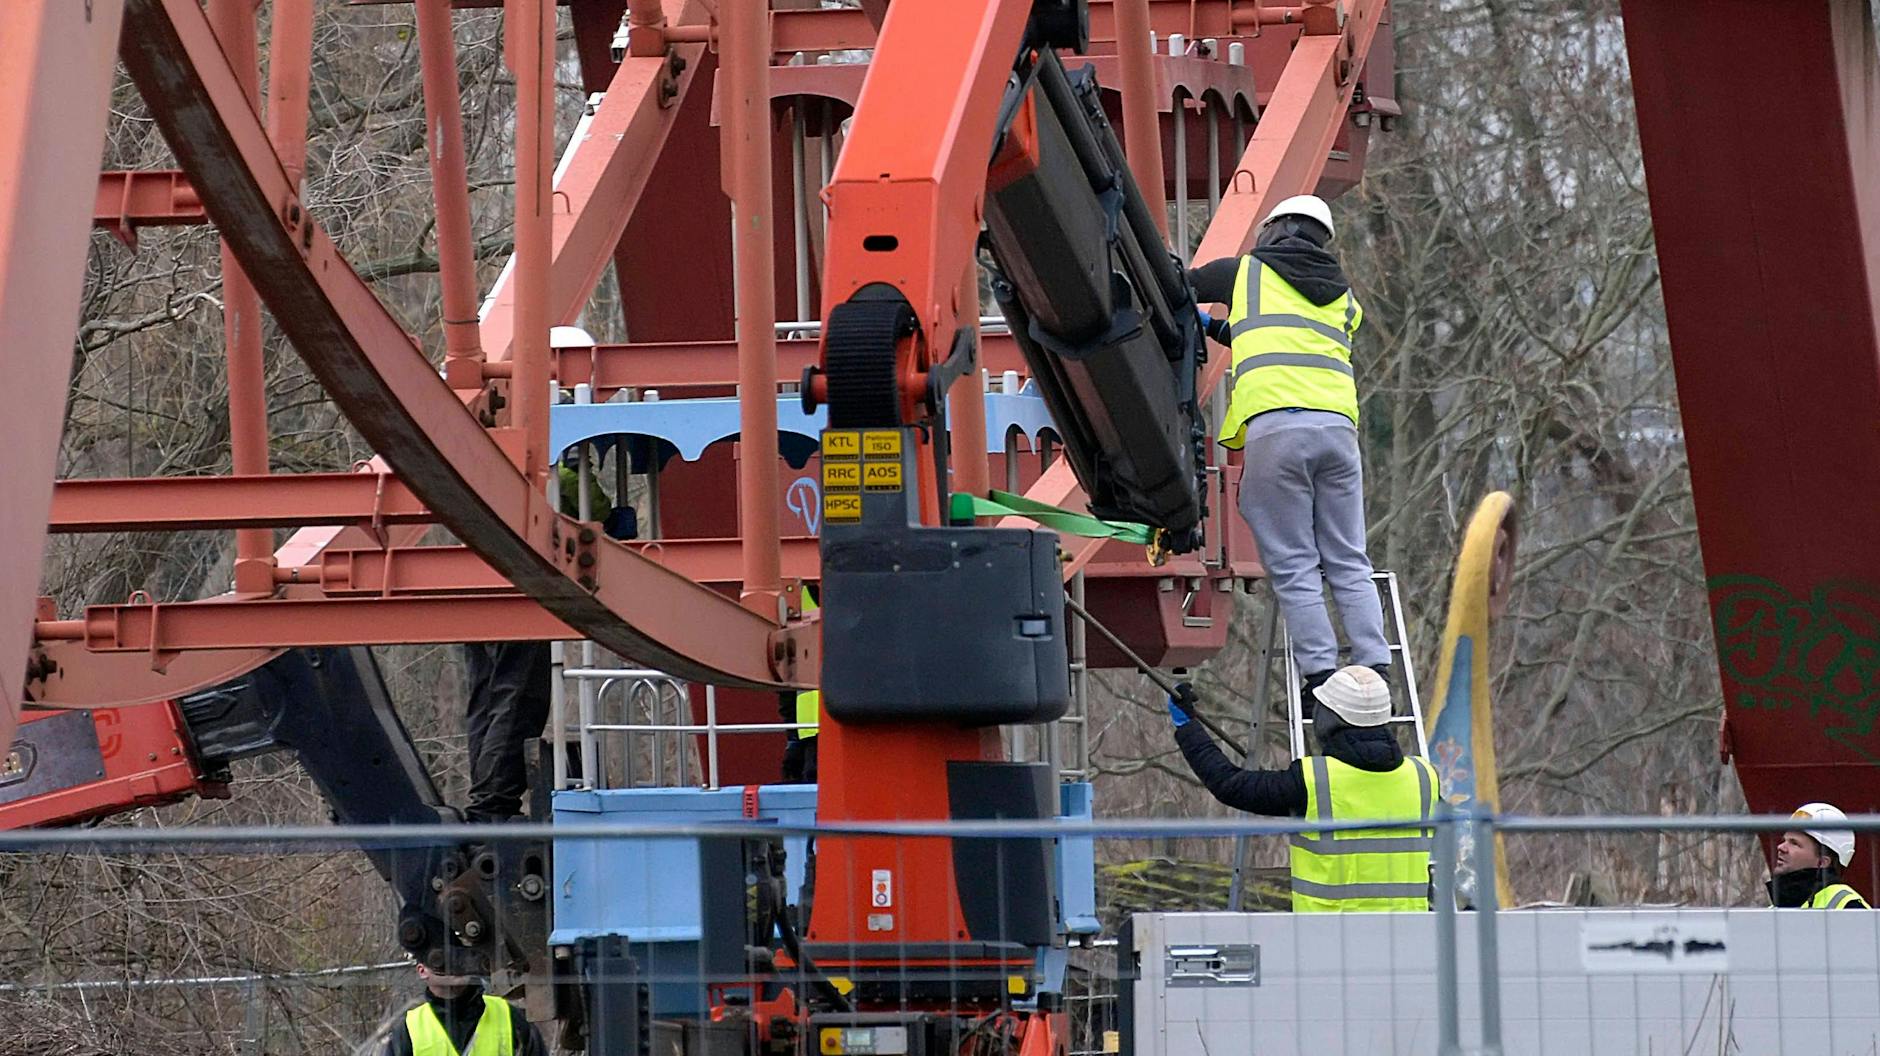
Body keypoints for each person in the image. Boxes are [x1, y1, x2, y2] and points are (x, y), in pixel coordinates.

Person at [1190, 194, 1389, 701]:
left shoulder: (1244, 274)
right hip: (1339, 437)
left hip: (1278, 433)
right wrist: (1217, 330)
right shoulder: (1344, 298)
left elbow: (1178, 288)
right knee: (1348, 558)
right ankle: (1375, 667)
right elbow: (1280, 333)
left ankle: (1322, 676)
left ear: (1275, 229)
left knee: (1296, 562)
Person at [1168, 665, 1438, 911]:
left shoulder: (1312, 781)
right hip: (1409, 945)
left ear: (1329, 719)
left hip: (1327, 944)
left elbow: (1230, 785)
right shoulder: (1424, 778)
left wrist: (1188, 727)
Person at [382, 962, 548, 1056]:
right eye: (441, 958)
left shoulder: (510, 1017)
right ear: (422, 970)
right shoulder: (408, 1030)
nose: (453, 962)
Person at [1767, 802, 1869, 908]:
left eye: (1794, 843)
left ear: (1823, 862)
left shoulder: (1849, 906)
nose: (1781, 847)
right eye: (1784, 840)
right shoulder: (1775, 908)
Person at [780, 587, 821, 784]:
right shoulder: (797, 594)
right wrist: (793, 738)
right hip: (810, 730)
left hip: (813, 727)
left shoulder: (798, 594)